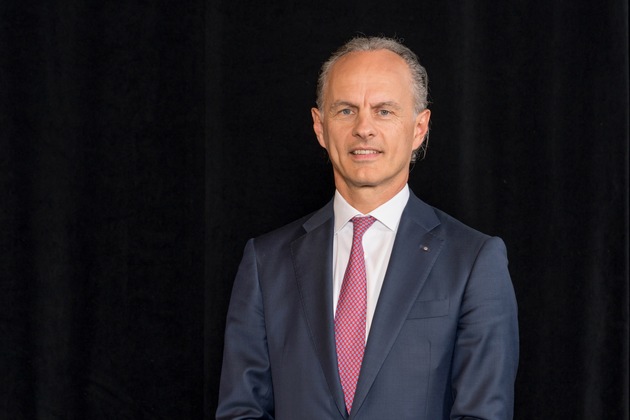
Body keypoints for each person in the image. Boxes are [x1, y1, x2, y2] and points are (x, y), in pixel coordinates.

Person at [216, 36, 519, 420]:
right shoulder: (265, 262)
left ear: (419, 128)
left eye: (384, 111)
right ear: (320, 126)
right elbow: (241, 411)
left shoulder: (473, 260)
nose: (364, 128)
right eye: (346, 110)